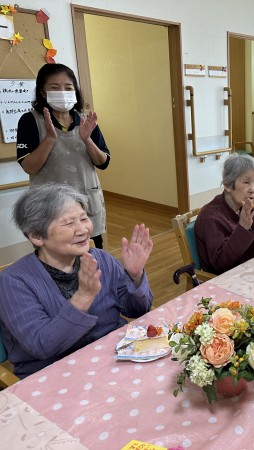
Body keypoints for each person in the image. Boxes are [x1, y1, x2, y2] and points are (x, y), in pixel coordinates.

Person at [0, 184, 153, 379]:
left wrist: (134, 275)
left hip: (114, 358)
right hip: (54, 377)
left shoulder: (102, 259)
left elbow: (137, 311)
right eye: (68, 223)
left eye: (83, 218)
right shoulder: (14, 281)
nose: (83, 229)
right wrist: (83, 296)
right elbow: (42, 346)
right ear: (36, 236)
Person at [16, 63, 110, 248]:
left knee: (91, 256)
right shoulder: (30, 120)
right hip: (50, 207)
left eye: (68, 87)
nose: (62, 92)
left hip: (86, 204)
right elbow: (29, 167)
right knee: (53, 257)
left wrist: (87, 139)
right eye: (54, 87)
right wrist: (50, 138)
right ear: (42, 91)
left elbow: (103, 162)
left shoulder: (85, 120)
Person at [194, 154, 254, 275]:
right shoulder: (210, 217)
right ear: (228, 185)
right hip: (231, 278)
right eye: (246, 182)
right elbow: (219, 264)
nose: (253, 189)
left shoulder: (245, 207)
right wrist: (242, 228)